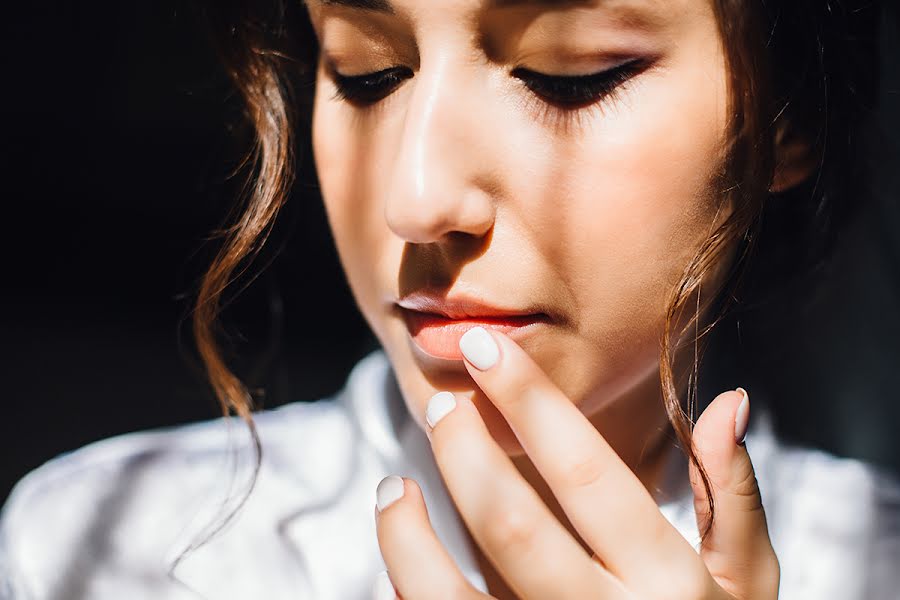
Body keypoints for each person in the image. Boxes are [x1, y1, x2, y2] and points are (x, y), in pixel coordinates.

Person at [2, 0, 897, 598]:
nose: (416, 197)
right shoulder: (101, 550)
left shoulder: (873, 564)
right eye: (366, 72)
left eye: (569, 75)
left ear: (790, 122)